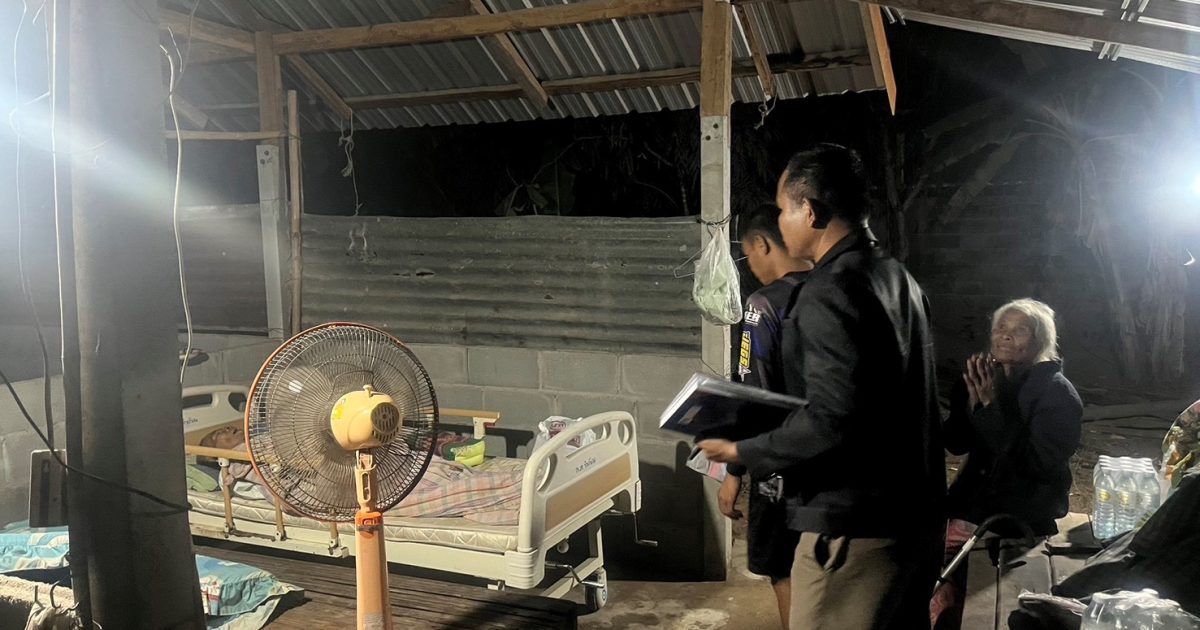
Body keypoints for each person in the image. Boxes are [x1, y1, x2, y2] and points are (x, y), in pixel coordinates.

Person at [698, 144, 944, 630]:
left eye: (783, 209)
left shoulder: (830, 290)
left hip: (854, 528)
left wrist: (742, 451)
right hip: (916, 514)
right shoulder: (897, 278)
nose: (781, 221)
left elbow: (833, 417)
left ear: (809, 211)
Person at [930, 298, 1082, 630]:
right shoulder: (986, 377)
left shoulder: (1057, 395)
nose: (1006, 336)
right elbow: (956, 443)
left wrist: (990, 407)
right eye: (1001, 327)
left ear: (1041, 340)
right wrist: (968, 402)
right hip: (969, 507)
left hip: (1020, 514)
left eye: (1020, 330)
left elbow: (1036, 465)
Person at [721, 202, 812, 628]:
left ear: (761, 244)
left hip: (782, 464)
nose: (750, 266)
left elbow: (752, 395)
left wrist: (733, 472)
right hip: (838, 464)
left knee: (785, 568)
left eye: (747, 255)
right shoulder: (837, 289)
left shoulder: (762, 306)